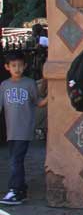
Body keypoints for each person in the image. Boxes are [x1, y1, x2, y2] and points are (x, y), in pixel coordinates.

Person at [0, 50, 46, 205]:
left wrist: (53, 94)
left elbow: (38, 102)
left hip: (24, 128)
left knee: (15, 160)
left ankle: (15, 190)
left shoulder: (29, 83)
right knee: (15, 160)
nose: (17, 68)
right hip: (11, 130)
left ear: (25, 66)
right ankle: (21, 189)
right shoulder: (4, 86)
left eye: (20, 65)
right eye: (13, 65)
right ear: (7, 67)